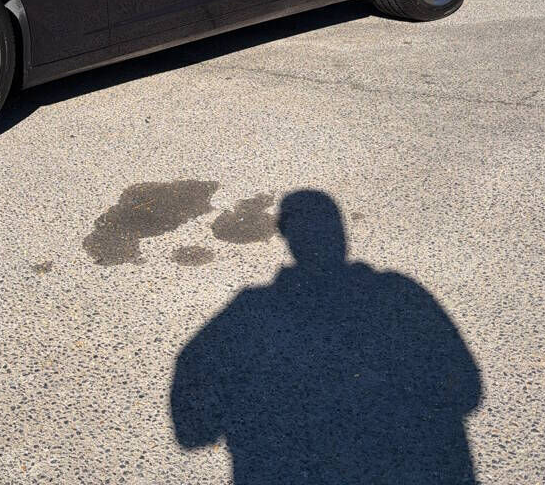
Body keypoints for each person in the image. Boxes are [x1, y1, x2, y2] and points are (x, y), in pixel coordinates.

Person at [170, 190, 482, 484]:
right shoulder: (401, 299)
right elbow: (466, 389)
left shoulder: (249, 318)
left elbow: (192, 423)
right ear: (341, 235)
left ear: (288, 239)